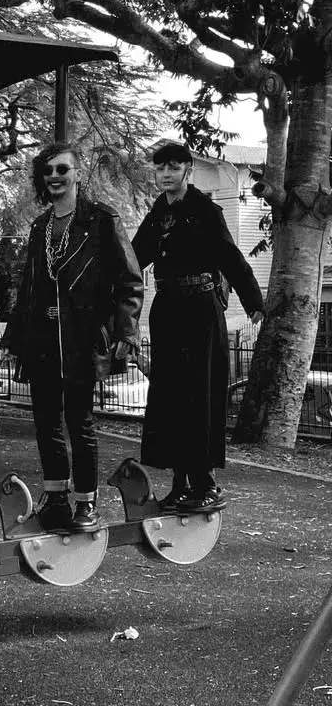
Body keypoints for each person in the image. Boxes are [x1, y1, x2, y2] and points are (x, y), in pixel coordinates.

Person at [0, 142, 143, 532]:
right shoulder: (40, 226)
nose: (55, 178)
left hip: (81, 339)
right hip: (43, 339)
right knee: (45, 422)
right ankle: (57, 500)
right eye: (48, 172)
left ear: (78, 174)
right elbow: (28, 287)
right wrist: (14, 337)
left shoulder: (102, 220)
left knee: (79, 423)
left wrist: (126, 330)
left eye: (62, 170)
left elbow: (130, 280)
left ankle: (86, 504)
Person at [132, 142, 265, 512]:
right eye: (160, 169)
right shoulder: (158, 213)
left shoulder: (206, 211)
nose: (166, 174)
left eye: (173, 167)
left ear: (188, 170)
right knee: (171, 397)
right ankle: (179, 485)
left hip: (201, 311)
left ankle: (206, 484)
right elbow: (133, 258)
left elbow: (231, 256)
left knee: (200, 395)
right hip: (167, 311)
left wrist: (254, 303)